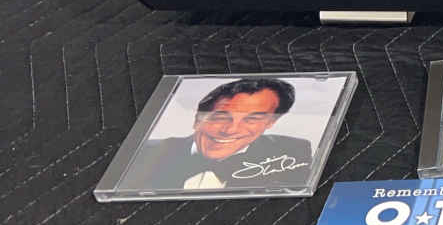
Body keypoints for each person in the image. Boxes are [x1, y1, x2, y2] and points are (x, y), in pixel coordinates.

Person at [122, 78, 313, 190]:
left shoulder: (292, 151)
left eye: (252, 119)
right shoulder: (145, 153)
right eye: (221, 117)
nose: (230, 130)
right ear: (198, 119)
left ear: (270, 123)